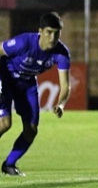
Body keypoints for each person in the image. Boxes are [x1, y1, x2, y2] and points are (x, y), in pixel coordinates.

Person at [0, 12, 71, 176]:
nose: (53, 37)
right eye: (49, 32)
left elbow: (65, 85)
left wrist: (60, 104)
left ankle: (9, 164)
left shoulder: (62, 53)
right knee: (4, 123)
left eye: (57, 33)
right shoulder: (24, 42)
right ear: (40, 31)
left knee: (31, 130)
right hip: (6, 77)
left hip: (27, 83)